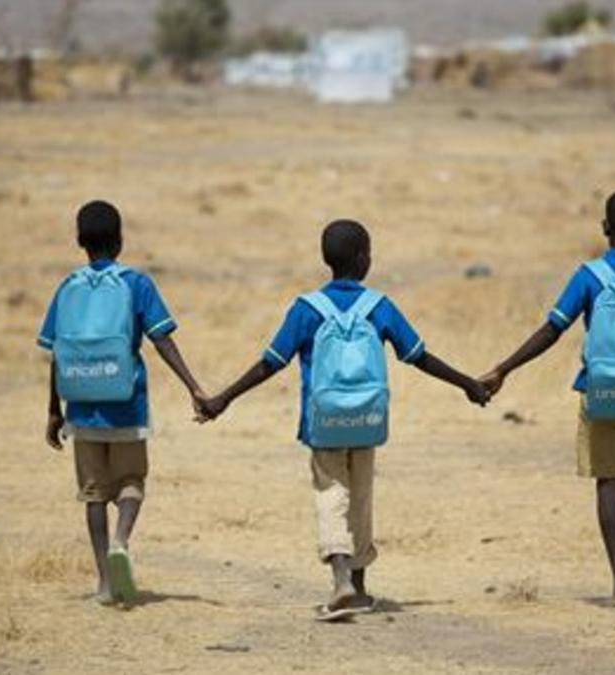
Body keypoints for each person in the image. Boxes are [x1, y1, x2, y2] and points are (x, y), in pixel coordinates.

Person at [196, 219, 490, 620]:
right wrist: (467, 384)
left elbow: (270, 363)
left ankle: (341, 582)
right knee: (362, 498)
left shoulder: (306, 309)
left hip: (323, 424)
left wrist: (223, 399)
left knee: (331, 495)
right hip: (367, 419)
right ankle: (361, 586)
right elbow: (419, 355)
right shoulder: (379, 307)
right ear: (364, 258)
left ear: (326, 259)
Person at [481, 189, 615, 608]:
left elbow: (551, 330)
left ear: (605, 229)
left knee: (609, 481)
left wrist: (504, 368)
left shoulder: (589, 277)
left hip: (601, 393)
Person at [37, 200, 206, 606]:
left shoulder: (67, 287)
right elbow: (161, 338)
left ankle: (103, 581)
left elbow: (57, 352)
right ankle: (121, 540)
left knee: (93, 493)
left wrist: (53, 409)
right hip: (126, 401)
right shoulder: (136, 283)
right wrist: (193, 386)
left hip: (80, 403)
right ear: (120, 239)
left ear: (80, 241)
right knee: (132, 481)